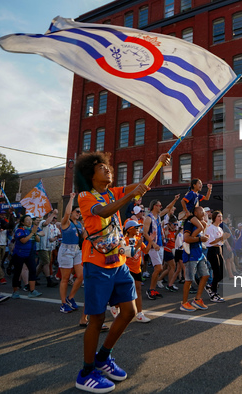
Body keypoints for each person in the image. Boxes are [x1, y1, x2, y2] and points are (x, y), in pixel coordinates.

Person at [74, 151, 168, 393]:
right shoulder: (85, 196)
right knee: (96, 319)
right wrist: (130, 196)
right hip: (96, 264)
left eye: (108, 167)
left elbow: (140, 185)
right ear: (90, 174)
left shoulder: (113, 192)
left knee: (129, 311)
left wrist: (157, 164)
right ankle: (86, 372)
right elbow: (103, 212)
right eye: (101, 168)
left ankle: (103, 357)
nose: (108, 170)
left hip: (119, 262)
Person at [143, 195, 180, 300]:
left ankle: (153, 289)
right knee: (159, 267)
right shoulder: (148, 218)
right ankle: (150, 289)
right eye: (159, 205)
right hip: (153, 246)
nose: (161, 207)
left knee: (159, 268)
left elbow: (168, 208)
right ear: (155, 206)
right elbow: (145, 233)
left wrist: (175, 199)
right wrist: (153, 244)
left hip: (161, 245)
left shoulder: (158, 216)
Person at [58, 193, 86, 313]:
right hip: (66, 251)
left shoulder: (79, 224)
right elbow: (67, 213)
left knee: (81, 276)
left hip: (77, 250)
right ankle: (63, 303)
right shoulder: (66, 222)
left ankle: (70, 298)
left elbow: (85, 236)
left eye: (80, 212)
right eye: (77, 212)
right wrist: (71, 198)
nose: (78, 214)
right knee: (65, 278)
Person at [118, 219, 150, 323]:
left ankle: (140, 314)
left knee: (138, 290)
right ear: (130, 229)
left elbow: (146, 251)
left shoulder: (138, 239)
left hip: (137, 269)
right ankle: (117, 307)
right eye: (136, 228)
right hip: (127, 269)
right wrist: (137, 246)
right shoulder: (125, 240)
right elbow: (128, 255)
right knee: (126, 292)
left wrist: (151, 241)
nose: (138, 229)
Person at [179, 206, 210, 312]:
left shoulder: (201, 224)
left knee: (205, 275)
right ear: (195, 213)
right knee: (189, 279)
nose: (204, 212)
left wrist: (202, 238)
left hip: (199, 253)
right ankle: (184, 303)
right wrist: (200, 238)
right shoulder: (189, 223)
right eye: (202, 211)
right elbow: (186, 238)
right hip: (190, 254)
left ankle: (197, 300)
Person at [10, 215, 43, 299]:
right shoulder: (20, 230)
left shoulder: (33, 228)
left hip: (30, 254)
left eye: (30, 220)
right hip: (19, 254)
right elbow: (23, 240)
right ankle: (15, 291)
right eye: (27, 220)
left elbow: (39, 238)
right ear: (22, 222)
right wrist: (32, 233)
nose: (29, 222)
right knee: (17, 272)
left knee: (32, 270)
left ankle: (32, 291)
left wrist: (35, 233)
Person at [205, 210, 229, 302]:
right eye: (219, 216)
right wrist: (221, 238)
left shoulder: (220, 228)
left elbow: (221, 241)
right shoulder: (210, 228)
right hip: (212, 250)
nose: (221, 218)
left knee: (223, 273)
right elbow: (210, 242)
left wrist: (223, 239)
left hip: (219, 249)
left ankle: (211, 286)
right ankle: (214, 293)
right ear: (214, 218)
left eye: (221, 216)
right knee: (217, 271)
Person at [36, 209, 59, 288]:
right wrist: (53, 213)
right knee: (46, 263)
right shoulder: (43, 222)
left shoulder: (54, 226)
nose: (54, 219)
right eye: (53, 218)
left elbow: (58, 234)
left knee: (42, 263)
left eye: (55, 218)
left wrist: (55, 238)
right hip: (43, 247)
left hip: (50, 247)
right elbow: (46, 223)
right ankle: (49, 280)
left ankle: (33, 277)